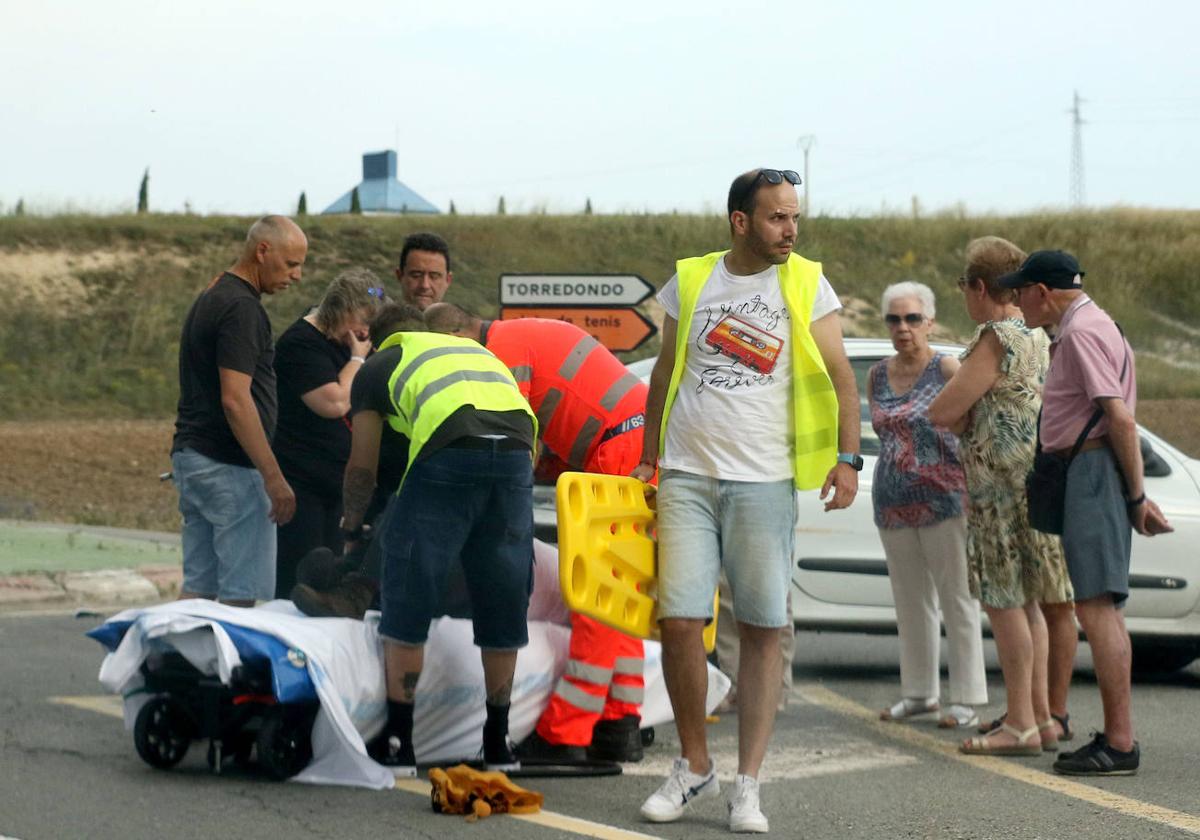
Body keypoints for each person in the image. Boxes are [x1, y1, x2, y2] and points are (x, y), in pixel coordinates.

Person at [632, 168, 861, 834]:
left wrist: (847, 460)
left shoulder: (807, 281)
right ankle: (693, 764)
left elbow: (844, 381)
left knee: (763, 629)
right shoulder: (693, 278)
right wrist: (649, 455)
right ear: (740, 221)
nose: (790, 229)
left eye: (795, 217)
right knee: (678, 622)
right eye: (777, 218)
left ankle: (748, 784)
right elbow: (664, 370)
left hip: (764, 481)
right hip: (686, 475)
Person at [425, 303, 649, 764]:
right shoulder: (522, 337)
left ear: (456, 335)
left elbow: (510, 442)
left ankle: (565, 734)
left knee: (596, 596)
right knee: (620, 595)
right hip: (633, 442)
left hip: (622, 450)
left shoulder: (500, 354)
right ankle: (619, 721)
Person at [340, 301, 537, 777]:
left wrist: (350, 527)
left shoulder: (380, 364)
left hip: (451, 448)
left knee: (410, 578)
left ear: (377, 340)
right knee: (502, 588)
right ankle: (499, 743)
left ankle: (398, 742)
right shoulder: (473, 352)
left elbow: (363, 466)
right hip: (516, 449)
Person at [1000, 250, 1172, 776]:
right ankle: (1117, 738)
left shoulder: (1079, 333)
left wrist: (1137, 498)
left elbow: (1118, 418)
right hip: (1094, 470)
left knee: (1097, 609)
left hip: (1091, 471)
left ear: (1044, 293)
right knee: (1102, 606)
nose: (1015, 299)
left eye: (1020, 290)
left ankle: (1120, 743)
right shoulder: (1096, 323)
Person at [928, 237, 1074, 755]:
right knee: (1030, 603)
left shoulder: (994, 336)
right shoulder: (1037, 334)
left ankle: (1020, 723)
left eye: (965, 287)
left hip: (997, 490)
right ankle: (1038, 717)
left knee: (1004, 602)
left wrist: (951, 375)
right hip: (1032, 481)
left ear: (979, 287)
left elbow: (944, 411)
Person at [869, 282, 987, 732]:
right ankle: (919, 693)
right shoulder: (878, 374)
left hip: (945, 498)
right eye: (894, 320)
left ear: (930, 321)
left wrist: (974, 490)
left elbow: (972, 429)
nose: (903, 328)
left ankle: (967, 697)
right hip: (893, 499)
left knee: (957, 597)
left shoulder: (947, 367)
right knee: (909, 600)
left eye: (912, 319)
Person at [171, 215, 306, 606]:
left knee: (198, 593)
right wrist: (273, 476)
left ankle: (181, 666)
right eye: (291, 264)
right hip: (230, 466)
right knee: (242, 600)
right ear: (263, 251)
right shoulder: (242, 309)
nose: (296, 276)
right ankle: (232, 670)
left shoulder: (212, 295)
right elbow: (236, 398)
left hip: (193, 457)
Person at [270, 268, 383, 597]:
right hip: (302, 482)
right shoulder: (301, 344)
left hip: (337, 482)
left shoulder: (350, 339)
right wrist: (358, 361)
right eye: (361, 322)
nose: (364, 332)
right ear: (341, 311)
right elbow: (334, 402)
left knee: (331, 580)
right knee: (299, 578)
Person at [395, 232, 452, 309]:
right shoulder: (380, 319)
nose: (425, 285)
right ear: (400, 275)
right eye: (416, 276)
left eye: (434, 277)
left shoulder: (463, 320)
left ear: (448, 280)